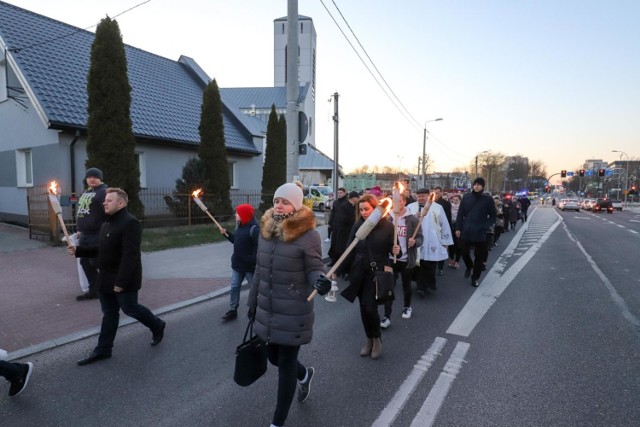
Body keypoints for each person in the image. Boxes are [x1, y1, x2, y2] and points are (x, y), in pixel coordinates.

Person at [248, 183, 331, 427]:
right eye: (276, 201)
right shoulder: (265, 232)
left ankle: (277, 422)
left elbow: (314, 268)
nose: (279, 205)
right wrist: (252, 302)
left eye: (285, 201)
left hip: (294, 308)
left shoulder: (308, 235)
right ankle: (304, 374)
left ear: (296, 205)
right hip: (267, 308)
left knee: (284, 365)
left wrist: (319, 281)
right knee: (273, 357)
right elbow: (258, 271)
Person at [69, 188, 166, 366]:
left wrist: (121, 282)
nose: (104, 203)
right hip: (105, 276)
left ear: (121, 203)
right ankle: (103, 349)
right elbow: (102, 249)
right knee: (109, 313)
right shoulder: (106, 223)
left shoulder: (131, 223)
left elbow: (131, 255)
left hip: (124, 277)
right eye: (105, 200)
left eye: (109, 200)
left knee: (130, 308)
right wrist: (79, 250)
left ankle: (157, 325)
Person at [338, 194, 395, 360]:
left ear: (375, 208)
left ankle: (377, 338)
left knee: (370, 307)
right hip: (359, 272)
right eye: (361, 209)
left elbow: (393, 250)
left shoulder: (387, 226)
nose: (363, 212)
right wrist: (337, 270)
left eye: (367, 209)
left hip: (376, 273)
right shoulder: (358, 226)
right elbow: (349, 250)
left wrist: (397, 249)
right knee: (363, 308)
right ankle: (369, 338)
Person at [380, 193, 422, 327]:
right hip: (390, 259)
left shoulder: (412, 219)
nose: (397, 203)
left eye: (400, 201)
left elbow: (421, 237)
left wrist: (414, 242)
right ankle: (387, 316)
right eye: (395, 201)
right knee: (389, 287)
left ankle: (407, 306)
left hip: (406, 259)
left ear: (404, 202)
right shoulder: (387, 218)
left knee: (406, 285)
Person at [219, 204, 259, 321]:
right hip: (237, 265)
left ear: (244, 215)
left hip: (249, 267)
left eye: (237, 213)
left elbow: (258, 248)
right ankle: (233, 309)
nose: (235, 215)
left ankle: (254, 309)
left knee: (253, 289)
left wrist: (251, 260)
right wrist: (226, 234)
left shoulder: (254, 229)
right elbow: (235, 241)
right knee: (234, 286)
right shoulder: (239, 226)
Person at [455, 178, 496, 287]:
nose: (477, 186)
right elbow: (460, 214)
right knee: (464, 252)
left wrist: (485, 226)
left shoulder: (488, 199)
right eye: (475, 184)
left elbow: (493, 216)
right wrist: (458, 228)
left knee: (479, 257)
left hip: (480, 232)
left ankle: (475, 277)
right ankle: (469, 265)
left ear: (483, 186)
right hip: (466, 230)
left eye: (479, 185)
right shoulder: (466, 197)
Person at [75, 167, 108, 301]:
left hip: (97, 234)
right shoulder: (87, 192)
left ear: (100, 178)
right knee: (85, 262)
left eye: (95, 176)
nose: (92, 179)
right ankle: (94, 291)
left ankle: (109, 286)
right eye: (89, 177)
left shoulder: (104, 192)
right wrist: (79, 229)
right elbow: (83, 212)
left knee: (96, 261)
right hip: (84, 234)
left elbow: (108, 211)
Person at [415, 188, 453, 295]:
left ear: (429, 196)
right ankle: (421, 287)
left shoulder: (438, 207)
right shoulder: (411, 207)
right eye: (418, 196)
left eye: (423, 196)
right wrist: (414, 217)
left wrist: (446, 241)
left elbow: (444, 224)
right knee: (419, 264)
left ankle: (429, 284)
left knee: (430, 264)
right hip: (417, 240)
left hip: (433, 240)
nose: (421, 198)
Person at [327, 188, 357, 266]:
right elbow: (333, 213)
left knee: (341, 245)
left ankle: (341, 263)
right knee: (334, 244)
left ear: (345, 193)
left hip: (344, 228)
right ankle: (333, 261)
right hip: (336, 225)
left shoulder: (347, 202)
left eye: (341, 192)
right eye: (338, 193)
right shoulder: (336, 202)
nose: (339, 194)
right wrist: (330, 223)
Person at [433, 186, 453, 276]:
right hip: (433, 229)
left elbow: (447, 218)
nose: (435, 195)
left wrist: (447, 232)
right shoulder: (430, 203)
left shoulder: (445, 204)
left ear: (441, 193)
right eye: (434, 193)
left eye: (437, 193)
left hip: (441, 229)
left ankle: (440, 267)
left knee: (441, 248)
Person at [448, 194, 462, 269]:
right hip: (451, 227)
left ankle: (457, 261)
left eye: (457, 200)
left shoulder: (462, 208)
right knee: (451, 244)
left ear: (460, 200)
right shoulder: (450, 207)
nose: (455, 201)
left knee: (459, 245)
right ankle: (451, 259)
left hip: (459, 227)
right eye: (454, 200)